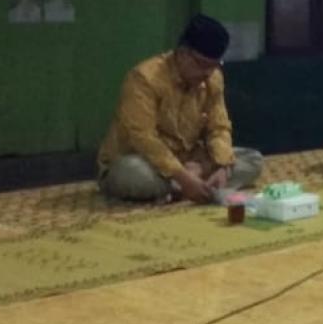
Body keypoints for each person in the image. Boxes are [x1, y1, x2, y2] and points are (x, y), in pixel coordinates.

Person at [97, 14, 263, 203]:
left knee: (253, 160)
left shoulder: (213, 78)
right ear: (183, 53)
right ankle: (187, 186)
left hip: (189, 160)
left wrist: (221, 168)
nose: (208, 73)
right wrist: (182, 176)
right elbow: (143, 138)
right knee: (133, 173)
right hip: (144, 160)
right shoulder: (144, 79)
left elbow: (219, 127)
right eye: (202, 64)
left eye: (215, 65)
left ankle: (180, 188)